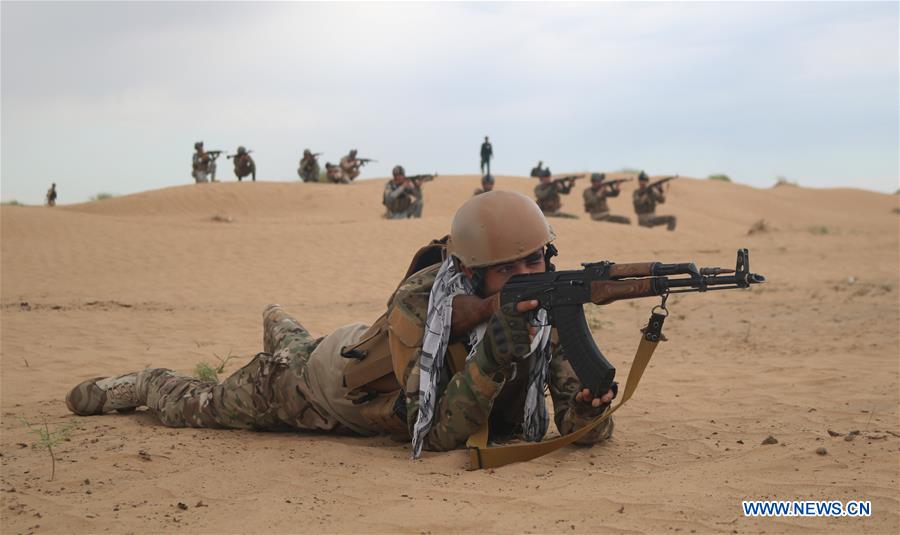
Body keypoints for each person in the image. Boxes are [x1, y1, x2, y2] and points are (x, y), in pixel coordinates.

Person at [65, 191, 614, 458]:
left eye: (537, 259)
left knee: (299, 339)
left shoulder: (544, 308)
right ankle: (145, 382)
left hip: (360, 346)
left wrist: (588, 413)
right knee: (203, 408)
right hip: (314, 388)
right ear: (470, 271)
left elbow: (573, 419)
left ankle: (281, 324)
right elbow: (439, 435)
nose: (530, 273)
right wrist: (492, 354)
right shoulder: (422, 303)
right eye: (510, 267)